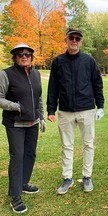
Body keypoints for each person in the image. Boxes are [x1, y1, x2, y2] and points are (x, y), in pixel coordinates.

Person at [47, 28, 105, 195]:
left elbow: (97, 84)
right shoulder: (58, 61)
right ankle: (67, 178)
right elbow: (53, 87)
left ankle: (87, 176)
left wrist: (100, 105)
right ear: (66, 39)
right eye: (71, 38)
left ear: (81, 41)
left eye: (77, 38)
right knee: (67, 145)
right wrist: (51, 109)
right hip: (65, 111)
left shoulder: (89, 61)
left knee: (88, 144)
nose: (74, 41)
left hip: (86, 110)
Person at [0, 43, 46, 213]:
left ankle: (24, 183)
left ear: (31, 57)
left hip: (32, 123)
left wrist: (41, 116)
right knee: (17, 156)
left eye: (27, 54)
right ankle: (15, 195)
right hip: (15, 124)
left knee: (30, 154)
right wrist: (15, 106)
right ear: (15, 57)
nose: (24, 56)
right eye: (20, 54)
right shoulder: (6, 74)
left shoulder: (36, 73)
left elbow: (38, 97)